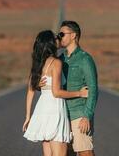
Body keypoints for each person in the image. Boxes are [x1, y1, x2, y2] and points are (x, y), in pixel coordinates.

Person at [22, 30, 89, 156]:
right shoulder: (56, 63)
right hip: (55, 109)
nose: (59, 39)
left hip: (42, 109)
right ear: (51, 44)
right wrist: (80, 93)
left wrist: (27, 116)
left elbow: (30, 91)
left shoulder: (38, 64)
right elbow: (57, 92)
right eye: (56, 38)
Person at [41, 21, 99, 156]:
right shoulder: (59, 59)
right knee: (67, 153)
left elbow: (93, 89)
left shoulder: (85, 59)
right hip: (61, 114)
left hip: (79, 113)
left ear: (73, 35)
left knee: (85, 151)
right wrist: (40, 85)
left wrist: (87, 116)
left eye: (62, 34)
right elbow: (48, 80)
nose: (59, 37)